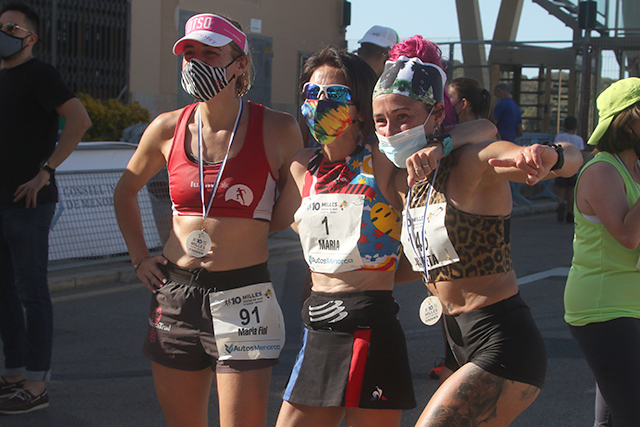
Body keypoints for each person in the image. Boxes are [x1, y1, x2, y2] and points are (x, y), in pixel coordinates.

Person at [372, 37, 583, 426]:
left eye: (403, 116)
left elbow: (571, 160)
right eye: (381, 120)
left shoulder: (469, 163)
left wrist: (550, 154)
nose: (391, 130)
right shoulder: (407, 180)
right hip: (453, 340)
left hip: (501, 339)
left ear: (437, 113)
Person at [113, 13, 302, 427]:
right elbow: (125, 191)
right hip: (175, 295)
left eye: (210, 54)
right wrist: (139, 258)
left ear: (240, 64)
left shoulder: (278, 128)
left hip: (245, 293)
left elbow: (291, 209)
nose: (197, 62)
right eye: (190, 53)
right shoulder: (166, 128)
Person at [0, 1, 91, 415]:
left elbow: (79, 120)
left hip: (29, 203)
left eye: (11, 28)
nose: (3, 33)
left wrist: (45, 172)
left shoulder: (40, 74)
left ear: (30, 38)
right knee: (4, 293)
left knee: (32, 293)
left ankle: (36, 385)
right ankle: (14, 376)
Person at [564, 77, 640, 427]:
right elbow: (627, 234)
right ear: (629, 120)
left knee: (613, 417)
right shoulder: (602, 169)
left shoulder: (632, 168)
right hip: (605, 306)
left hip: (628, 303)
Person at [553, 116, 585, 223]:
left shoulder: (559, 136)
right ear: (575, 127)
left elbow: (554, 150)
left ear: (564, 126)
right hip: (573, 169)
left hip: (561, 168)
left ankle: (561, 204)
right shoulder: (578, 139)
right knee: (571, 192)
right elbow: (580, 154)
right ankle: (570, 212)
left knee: (561, 191)